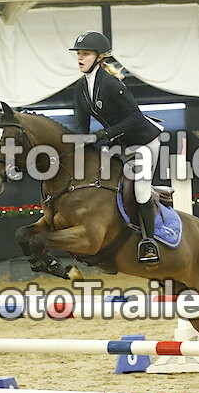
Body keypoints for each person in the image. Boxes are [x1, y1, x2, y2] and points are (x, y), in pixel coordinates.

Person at [70, 30, 163, 263]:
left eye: (86, 54)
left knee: (141, 188)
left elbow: (135, 118)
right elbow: (81, 126)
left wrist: (103, 134)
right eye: (78, 54)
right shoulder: (81, 89)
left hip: (143, 142)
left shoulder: (111, 84)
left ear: (99, 57)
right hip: (119, 143)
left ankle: (148, 242)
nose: (80, 58)